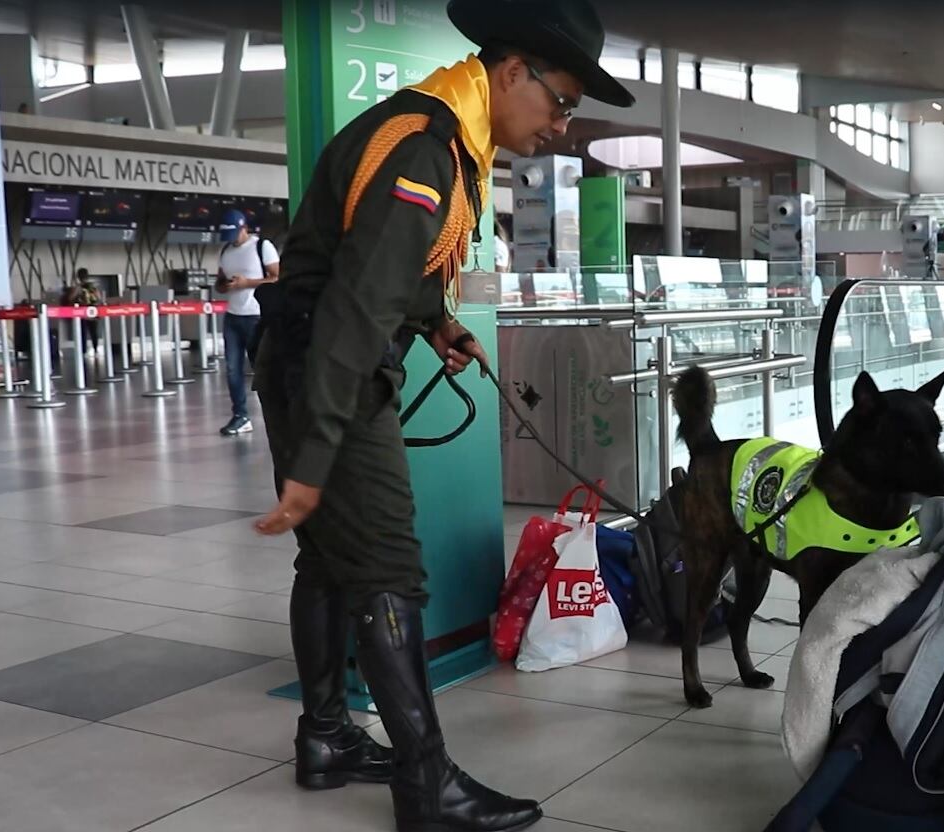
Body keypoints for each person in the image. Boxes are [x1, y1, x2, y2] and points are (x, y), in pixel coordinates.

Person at [252, 2, 633, 830]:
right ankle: (426, 788)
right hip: (332, 369)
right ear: (509, 73)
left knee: (329, 565)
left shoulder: (444, 131)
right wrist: (315, 460)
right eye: (561, 102)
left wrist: (438, 321)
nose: (563, 126)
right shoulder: (425, 148)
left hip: (307, 357)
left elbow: (386, 263)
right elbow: (356, 309)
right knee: (390, 568)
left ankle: (326, 739)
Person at [214, 208, 279, 436]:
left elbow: (276, 277)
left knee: (261, 367)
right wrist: (225, 285)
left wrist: (247, 283)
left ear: (244, 229)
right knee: (232, 369)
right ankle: (240, 415)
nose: (231, 240)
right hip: (233, 316)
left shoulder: (262, 247)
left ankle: (273, 410)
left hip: (256, 315)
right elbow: (219, 282)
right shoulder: (226, 251)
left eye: (234, 234)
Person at [62, 268, 101, 354]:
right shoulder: (92, 287)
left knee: (83, 333)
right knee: (93, 332)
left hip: (82, 312)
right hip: (92, 311)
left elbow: (70, 298)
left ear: (78, 277)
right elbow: (98, 297)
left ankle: (84, 351)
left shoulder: (78, 287)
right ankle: (95, 349)